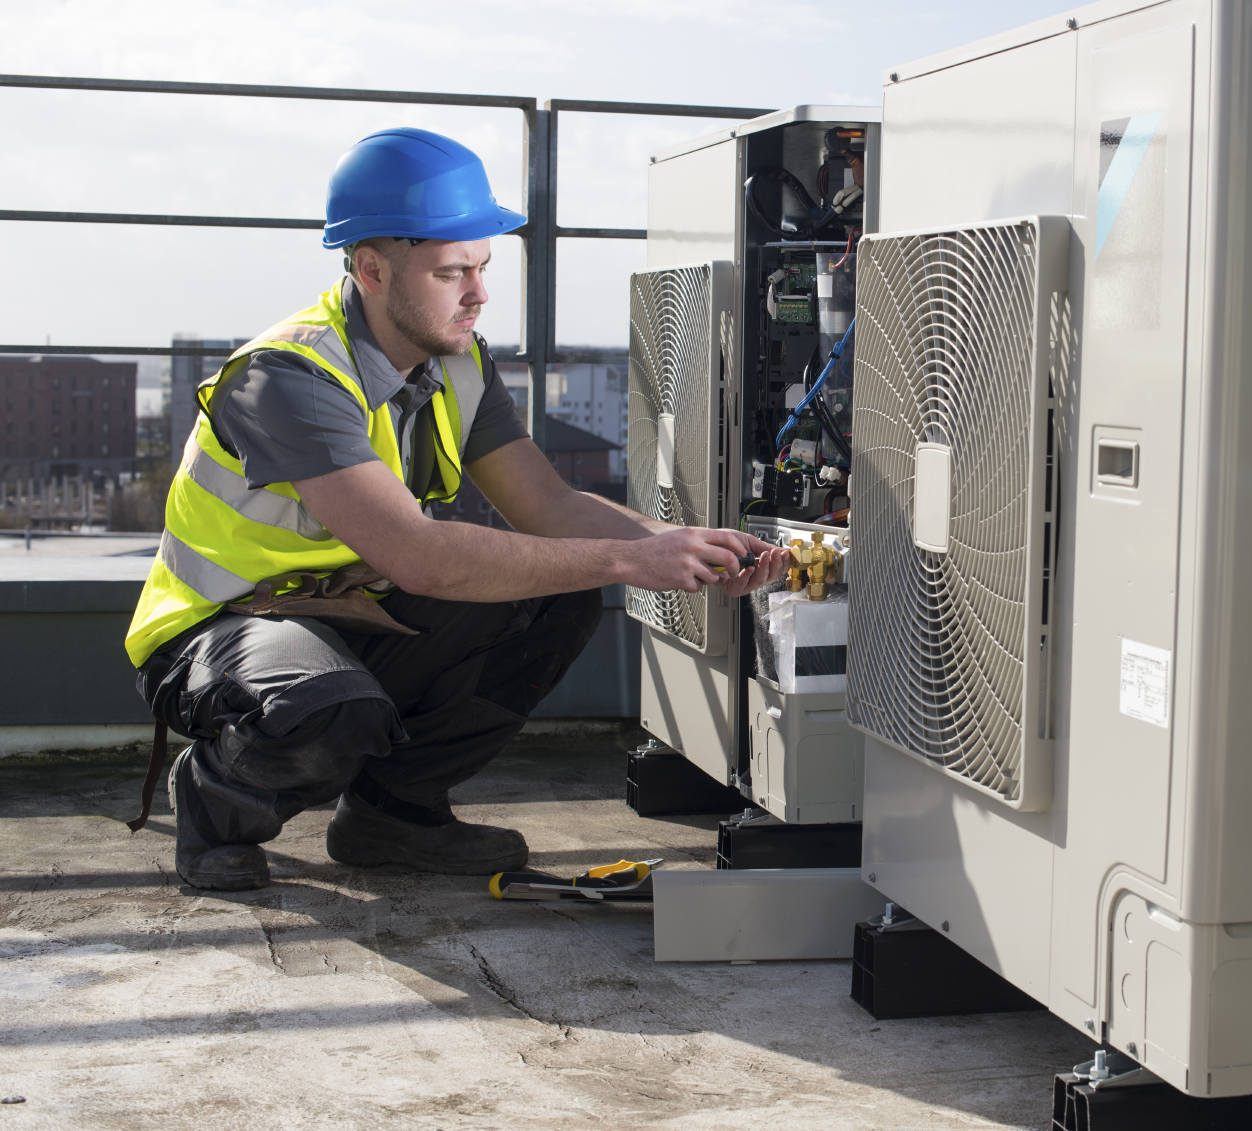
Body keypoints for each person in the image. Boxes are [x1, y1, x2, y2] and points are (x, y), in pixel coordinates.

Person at [123, 127, 786, 892]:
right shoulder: (289, 377)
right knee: (329, 709)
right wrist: (632, 558)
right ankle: (216, 805)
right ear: (371, 269)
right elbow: (419, 557)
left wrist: (690, 545)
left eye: (482, 267)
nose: (478, 293)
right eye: (451, 272)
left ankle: (392, 813)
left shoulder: (459, 364)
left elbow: (548, 503)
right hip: (225, 626)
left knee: (555, 598)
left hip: (351, 611)